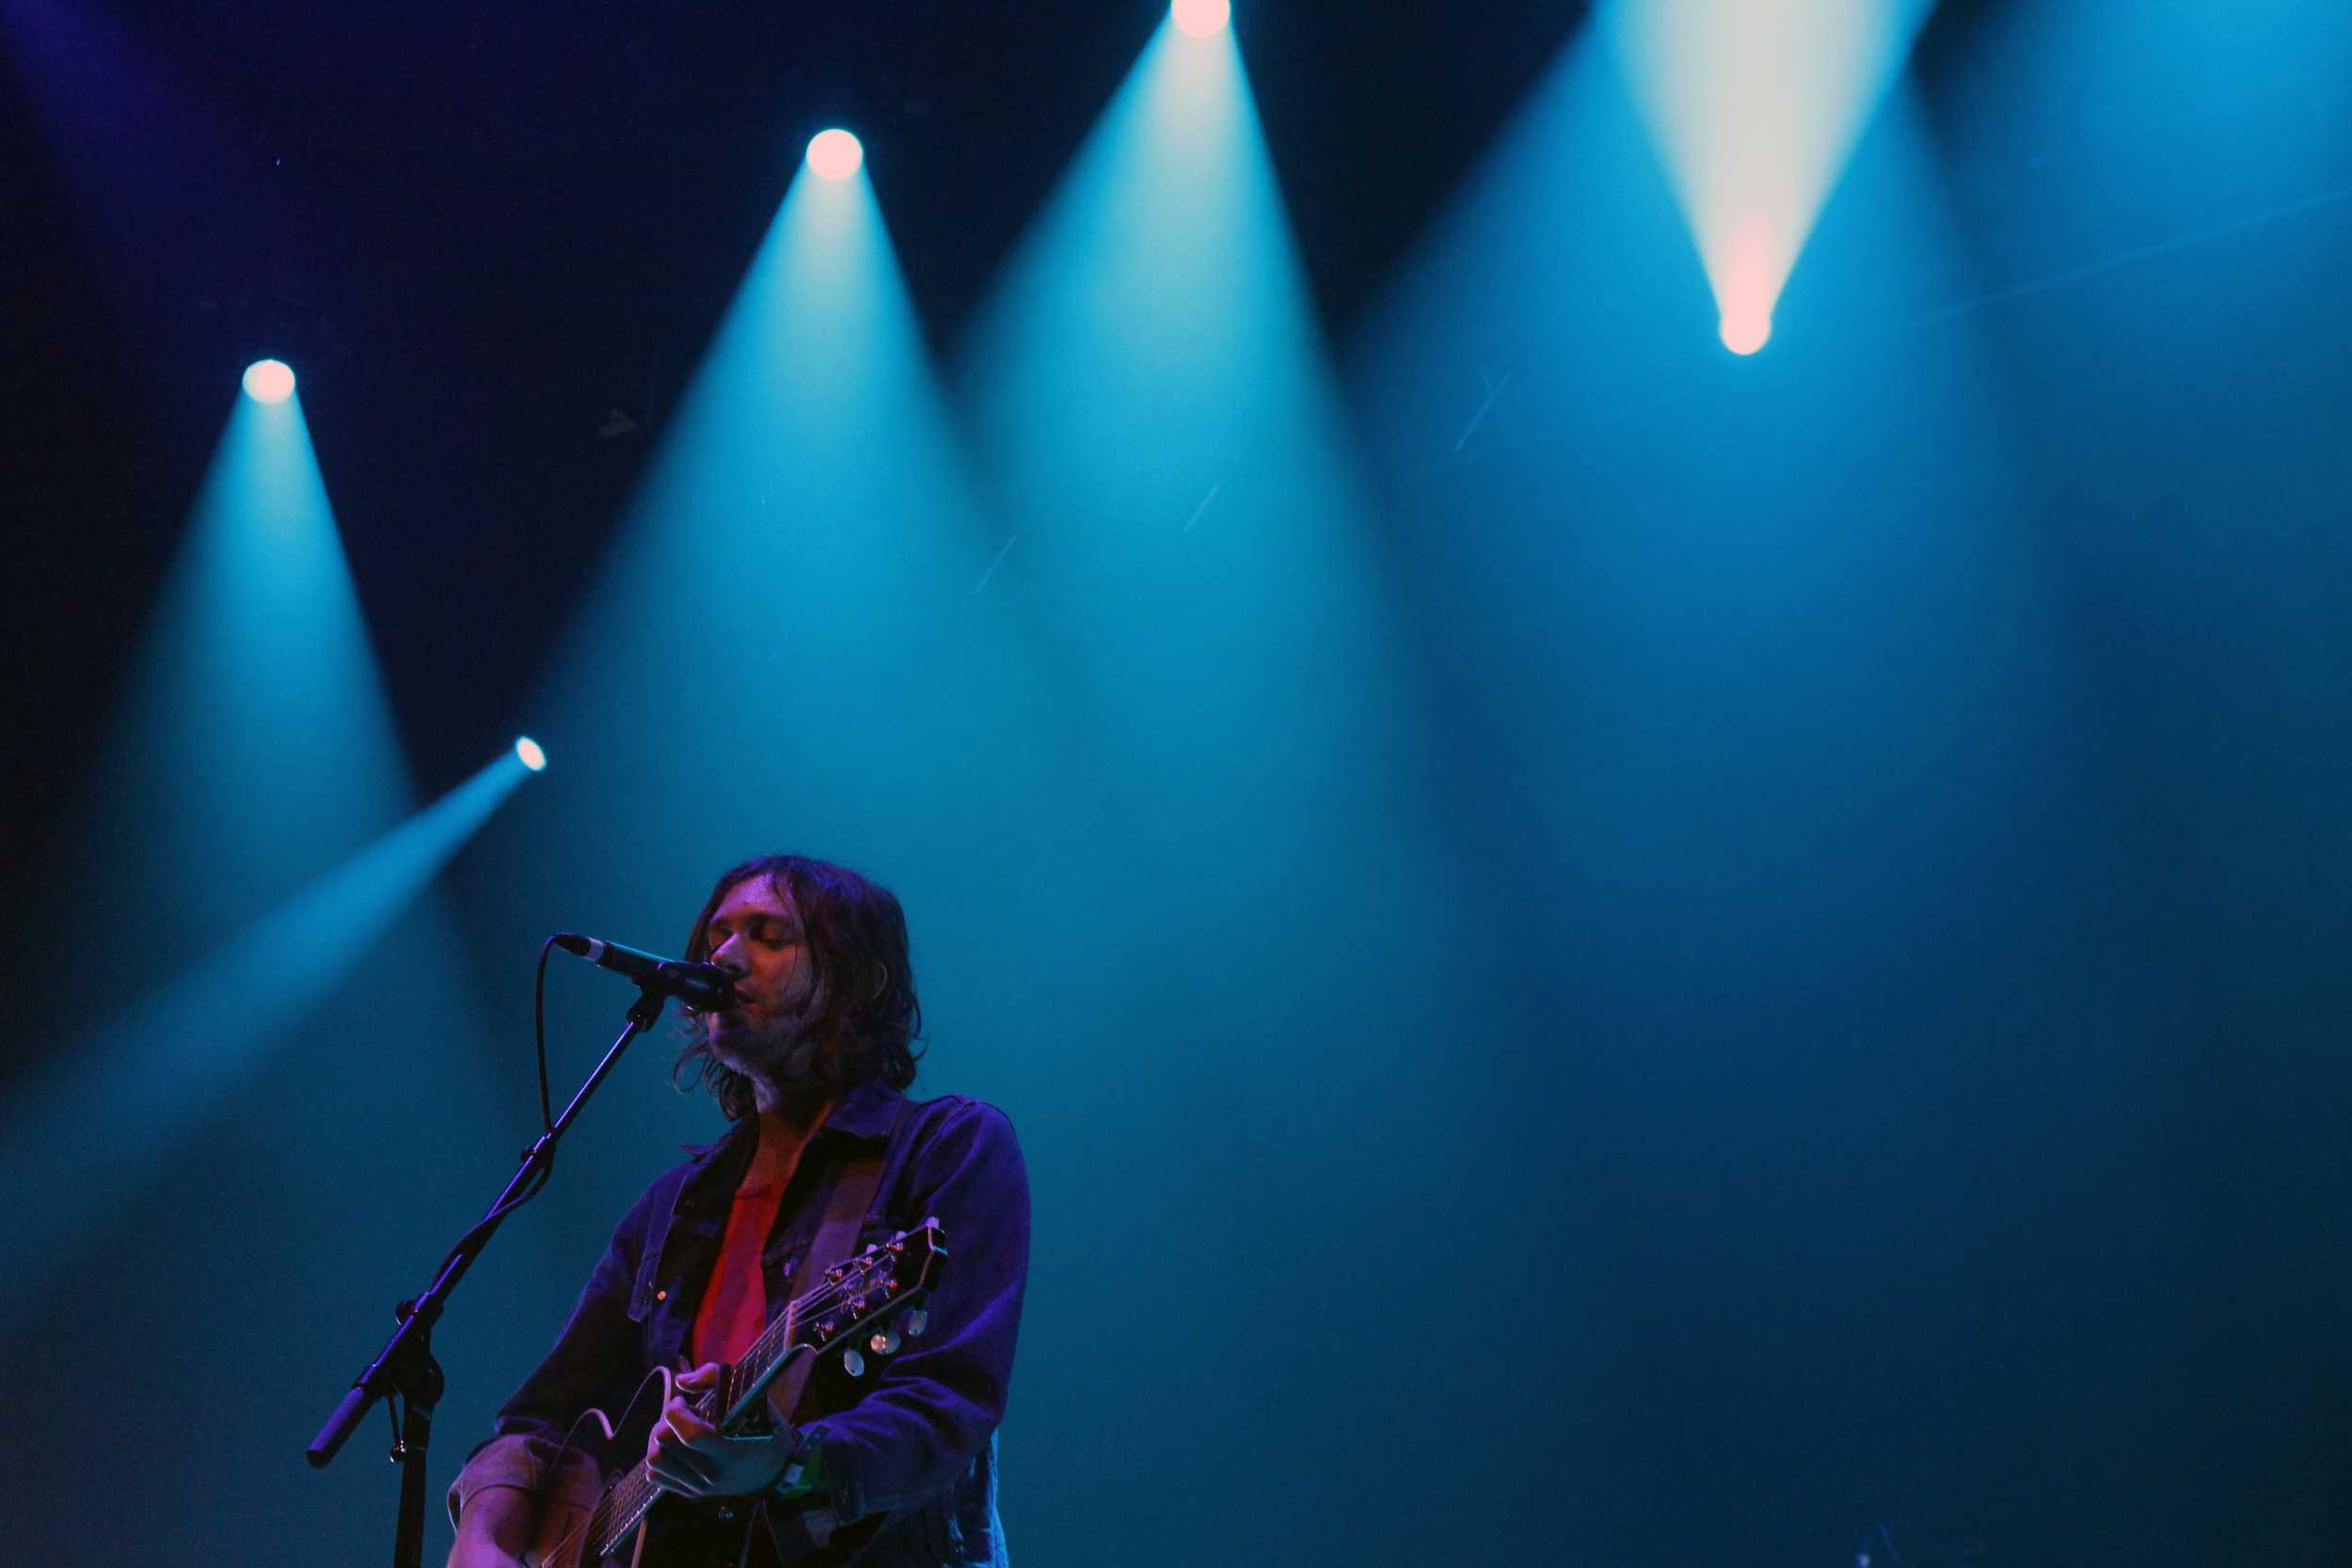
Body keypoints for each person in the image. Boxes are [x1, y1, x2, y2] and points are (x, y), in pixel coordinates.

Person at [446, 854, 1029, 1568]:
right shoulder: (673, 1207)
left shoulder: (950, 1148)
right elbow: (541, 1415)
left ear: (861, 981)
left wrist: (791, 1464)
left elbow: (948, 1402)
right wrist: (484, 1532)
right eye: (716, 936)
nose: (723, 956)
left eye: (768, 935)